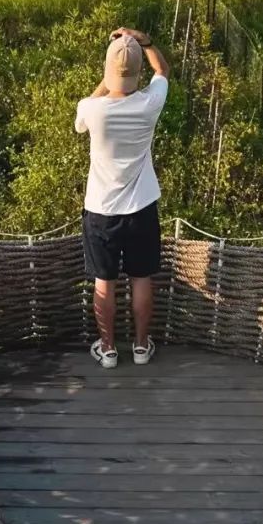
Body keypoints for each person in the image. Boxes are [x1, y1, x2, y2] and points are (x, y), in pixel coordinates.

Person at [74, 25, 171, 369]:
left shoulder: (92, 108)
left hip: (101, 210)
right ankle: (142, 347)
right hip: (142, 206)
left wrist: (106, 79)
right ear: (137, 73)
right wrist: (144, 41)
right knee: (142, 279)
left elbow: (83, 116)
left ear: (107, 70)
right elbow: (162, 70)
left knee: (105, 282)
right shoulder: (149, 103)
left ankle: (108, 349)